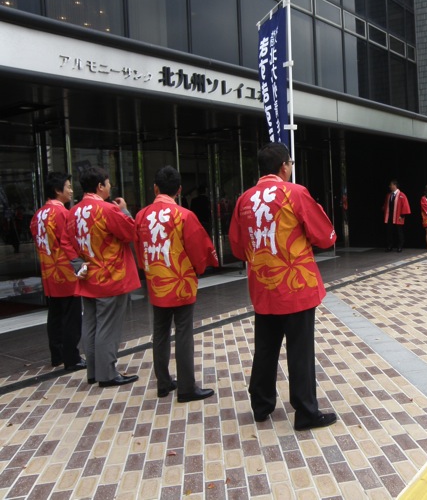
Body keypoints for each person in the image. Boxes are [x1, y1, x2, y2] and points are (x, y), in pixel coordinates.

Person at [229, 143, 337, 431]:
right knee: (300, 349)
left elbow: (238, 247)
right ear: (284, 166)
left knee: (265, 347)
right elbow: (325, 236)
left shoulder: (244, 200)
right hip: (296, 285)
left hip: (264, 285)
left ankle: (261, 405)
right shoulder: (295, 193)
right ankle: (305, 411)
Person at [135, 166, 218, 402]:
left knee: (160, 331)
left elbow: (140, 251)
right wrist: (199, 269)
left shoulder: (141, 216)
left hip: (156, 280)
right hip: (180, 280)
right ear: (179, 190)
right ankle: (186, 387)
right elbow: (199, 250)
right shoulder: (184, 215)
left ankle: (163, 383)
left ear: (155, 188)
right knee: (183, 331)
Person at [67, 166, 140, 387]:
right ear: (100, 186)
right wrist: (124, 210)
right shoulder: (108, 209)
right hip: (110, 275)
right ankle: (107, 373)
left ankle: (93, 371)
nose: (110, 187)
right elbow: (130, 232)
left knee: (90, 325)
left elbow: (67, 242)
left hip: (88, 274)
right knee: (108, 327)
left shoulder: (74, 212)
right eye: (108, 183)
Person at [29, 172, 85, 371]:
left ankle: (57, 355)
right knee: (72, 317)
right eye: (68, 186)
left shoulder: (38, 215)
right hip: (66, 272)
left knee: (55, 315)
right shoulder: (62, 213)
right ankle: (72, 358)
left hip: (48, 271)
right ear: (57, 190)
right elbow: (70, 242)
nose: (71, 190)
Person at [382, 180, 411, 252]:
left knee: (399, 232)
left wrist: (402, 215)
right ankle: (390, 246)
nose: (389, 186)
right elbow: (386, 205)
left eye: (391, 185)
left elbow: (405, 206)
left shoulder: (402, 195)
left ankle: (400, 246)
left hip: (398, 216)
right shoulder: (388, 195)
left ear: (395, 185)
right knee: (389, 232)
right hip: (389, 216)